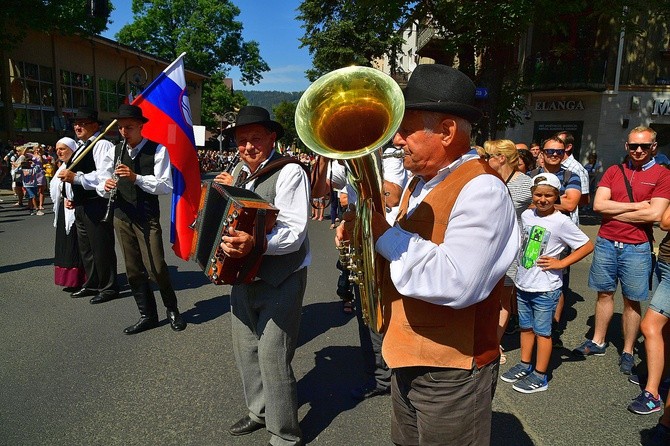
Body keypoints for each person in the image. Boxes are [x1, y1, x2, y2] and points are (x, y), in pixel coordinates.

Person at [338, 64, 519, 445]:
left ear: (447, 131)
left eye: (406, 129)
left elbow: (456, 280)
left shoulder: (482, 189)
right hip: (408, 355)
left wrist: (381, 233)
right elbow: (407, 246)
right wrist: (362, 233)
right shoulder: (420, 184)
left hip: (451, 368)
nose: (397, 140)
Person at [213, 106, 310, 446]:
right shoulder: (238, 170)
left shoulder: (290, 172)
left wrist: (255, 245)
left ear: (272, 138)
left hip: (281, 275)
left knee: (273, 355)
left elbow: (294, 232)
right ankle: (259, 411)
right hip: (242, 274)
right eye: (242, 141)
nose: (249, 147)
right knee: (246, 349)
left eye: (256, 139)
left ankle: (284, 434)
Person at [575, 126, 670, 375]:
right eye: (634, 146)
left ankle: (627, 350)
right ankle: (598, 341)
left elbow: (656, 214)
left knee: (631, 300)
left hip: (637, 247)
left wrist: (614, 209)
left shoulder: (662, 175)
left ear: (653, 148)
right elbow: (598, 205)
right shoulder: (614, 171)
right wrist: (637, 206)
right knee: (604, 294)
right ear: (626, 147)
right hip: (606, 241)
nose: (639, 150)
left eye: (645, 146)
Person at [501, 173, 593, 393]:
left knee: (543, 332)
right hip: (524, 284)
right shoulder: (527, 214)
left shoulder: (561, 221)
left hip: (546, 287)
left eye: (548, 195)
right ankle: (525, 364)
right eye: (538, 195)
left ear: (556, 196)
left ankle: (540, 375)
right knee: (526, 327)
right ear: (532, 195)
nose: (543, 199)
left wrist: (562, 263)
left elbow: (587, 245)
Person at [102, 105, 186, 334]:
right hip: (122, 215)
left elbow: (165, 185)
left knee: (156, 267)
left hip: (147, 216)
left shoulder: (158, 150)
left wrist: (136, 177)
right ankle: (146, 315)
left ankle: (172, 309)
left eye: (129, 127)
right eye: (120, 127)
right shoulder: (114, 151)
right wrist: (105, 185)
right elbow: (102, 179)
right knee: (133, 269)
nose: (124, 131)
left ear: (141, 126)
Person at [58, 107, 119, 304]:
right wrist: (70, 195)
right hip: (81, 205)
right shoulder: (82, 146)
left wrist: (77, 178)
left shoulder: (101, 145)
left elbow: (104, 176)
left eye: (83, 123)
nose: (78, 126)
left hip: (96, 203)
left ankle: (108, 287)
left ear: (95, 126)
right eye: (76, 123)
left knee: (101, 247)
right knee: (87, 248)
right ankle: (92, 282)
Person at [482, 139, 533, 364]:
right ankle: (482, 340)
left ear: (501, 158)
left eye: (488, 156)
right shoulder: (485, 178)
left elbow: (541, 212)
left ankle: (494, 343)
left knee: (503, 300)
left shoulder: (525, 184)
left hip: (510, 248)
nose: (484, 160)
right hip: (484, 246)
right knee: (483, 296)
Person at [628, 202, 670, 414]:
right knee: (665, 329)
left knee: (650, 326)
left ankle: (652, 394)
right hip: (664, 261)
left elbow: (665, 221)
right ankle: (661, 376)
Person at [50, 137, 86, 292]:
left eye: (63, 149)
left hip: (74, 210)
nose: (59, 152)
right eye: (57, 149)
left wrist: (73, 199)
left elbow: (83, 186)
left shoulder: (78, 166)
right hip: (62, 211)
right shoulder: (62, 167)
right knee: (65, 245)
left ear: (72, 149)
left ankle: (80, 279)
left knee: (76, 245)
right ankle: (69, 280)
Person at [555, 131, 590, 215]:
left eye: (559, 142)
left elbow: (584, 199)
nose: (555, 145)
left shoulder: (577, 169)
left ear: (568, 147)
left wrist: (555, 200)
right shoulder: (552, 165)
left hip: (566, 219)